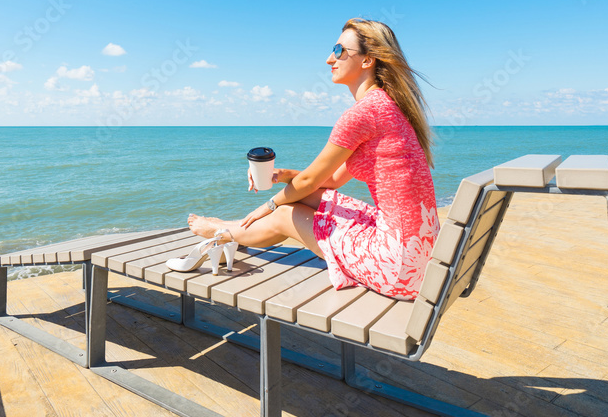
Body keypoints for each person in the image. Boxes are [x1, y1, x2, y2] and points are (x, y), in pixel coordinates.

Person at [185, 17, 439, 299]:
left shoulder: (363, 113)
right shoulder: (388, 107)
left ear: (368, 61)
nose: (330, 58)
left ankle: (224, 232)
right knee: (314, 199)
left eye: (340, 50)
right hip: (419, 252)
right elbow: (329, 181)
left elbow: (309, 182)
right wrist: (282, 175)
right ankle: (229, 227)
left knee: (285, 213)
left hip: (398, 266)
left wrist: (269, 205)